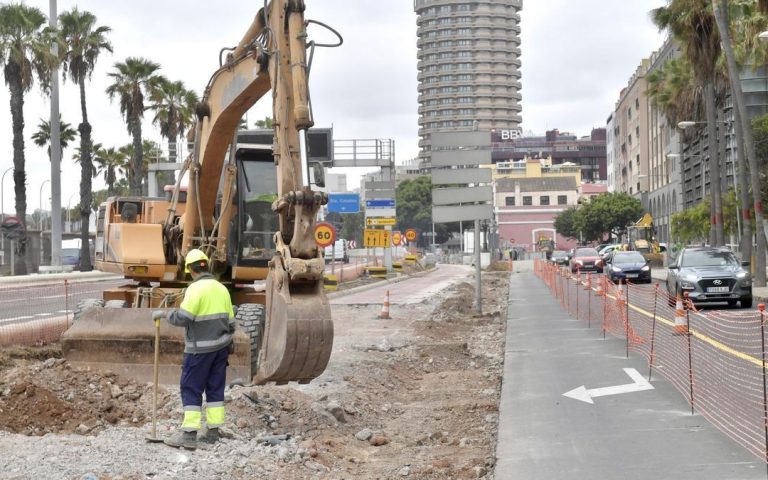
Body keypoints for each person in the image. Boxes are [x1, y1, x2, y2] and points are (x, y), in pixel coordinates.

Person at [152, 249, 236, 450]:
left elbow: (184, 318)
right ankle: (213, 431)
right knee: (215, 388)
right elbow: (232, 323)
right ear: (206, 266)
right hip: (221, 349)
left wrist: (165, 314)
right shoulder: (221, 288)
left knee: (191, 387)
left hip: (199, 351)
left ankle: (189, 435)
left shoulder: (195, 290)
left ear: (190, 270)